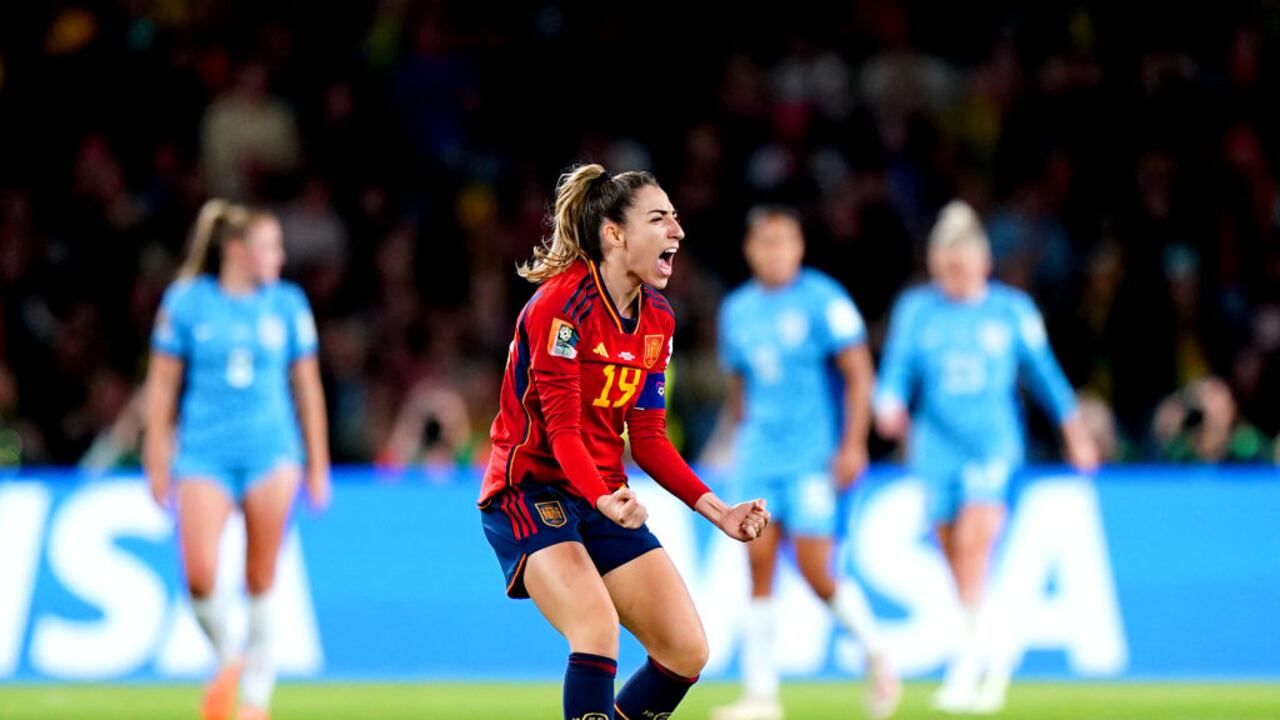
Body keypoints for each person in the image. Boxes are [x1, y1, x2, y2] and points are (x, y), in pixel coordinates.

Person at [478, 164, 772, 720]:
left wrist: (721, 512)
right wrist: (602, 497)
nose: (677, 231)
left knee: (686, 650)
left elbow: (650, 438)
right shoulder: (562, 306)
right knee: (595, 628)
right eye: (659, 219)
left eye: (675, 218)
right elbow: (562, 432)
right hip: (529, 493)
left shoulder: (658, 319)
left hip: (603, 497)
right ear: (614, 234)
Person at [873, 200, 1098, 714]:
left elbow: (1045, 374)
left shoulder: (1011, 311)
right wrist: (888, 402)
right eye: (945, 266)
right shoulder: (918, 309)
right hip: (935, 449)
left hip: (992, 444)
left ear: (983, 262)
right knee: (954, 554)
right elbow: (898, 367)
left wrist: (1075, 433)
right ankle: (989, 652)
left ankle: (968, 667)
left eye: (961, 264)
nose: (953, 275)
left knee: (975, 545)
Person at [144, 200, 330, 720]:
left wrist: (317, 463)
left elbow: (308, 388)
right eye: (270, 246)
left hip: (272, 453)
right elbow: (161, 388)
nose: (280, 256)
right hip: (203, 454)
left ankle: (254, 703)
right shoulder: (186, 303)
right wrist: (156, 456)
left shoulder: (287, 304)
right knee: (200, 576)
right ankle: (230, 662)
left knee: (260, 577)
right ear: (236, 251)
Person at [713, 207, 900, 720]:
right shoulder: (737, 311)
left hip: (812, 460)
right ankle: (761, 696)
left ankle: (877, 653)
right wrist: (731, 442)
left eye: (785, 241)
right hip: (758, 458)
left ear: (799, 247)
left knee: (817, 570)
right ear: (750, 250)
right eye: (766, 242)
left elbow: (859, 373)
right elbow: (739, 390)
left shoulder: (824, 300)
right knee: (757, 565)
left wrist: (853, 445)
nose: (775, 252)